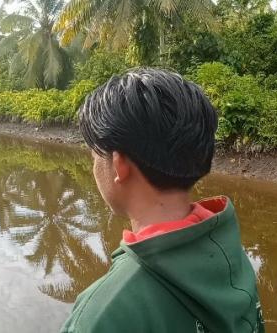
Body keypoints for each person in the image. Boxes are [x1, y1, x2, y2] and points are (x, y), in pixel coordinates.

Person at [60, 68, 264, 333]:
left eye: (95, 156)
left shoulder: (102, 318)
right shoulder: (229, 253)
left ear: (119, 165)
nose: (94, 167)